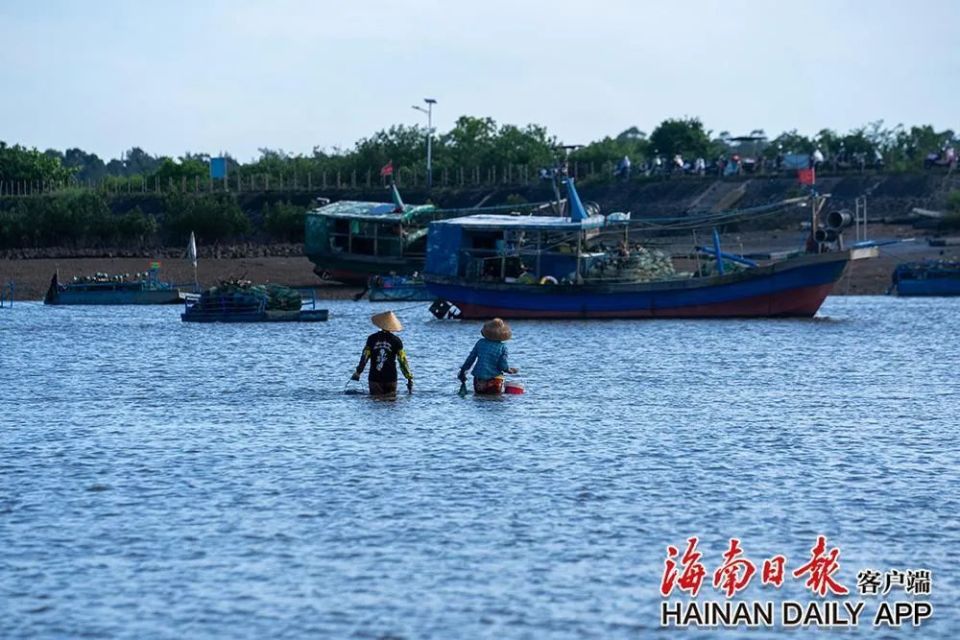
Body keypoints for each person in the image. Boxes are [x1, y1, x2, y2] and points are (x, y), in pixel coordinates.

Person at [352, 311, 413, 395]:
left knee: (375, 401)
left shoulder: (371, 339)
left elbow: (364, 357)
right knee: (391, 402)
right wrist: (408, 377)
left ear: (380, 324)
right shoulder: (396, 341)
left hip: (375, 378)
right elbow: (403, 361)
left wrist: (358, 372)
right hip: (391, 378)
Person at [458, 318, 518, 395]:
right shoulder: (502, 347)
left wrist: (463, 370)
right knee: (496, 398)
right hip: (495, 380)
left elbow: (470, 359)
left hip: (478, 379)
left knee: (479, 398)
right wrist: (509, 370)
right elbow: (502, 366)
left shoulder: (480, 343)